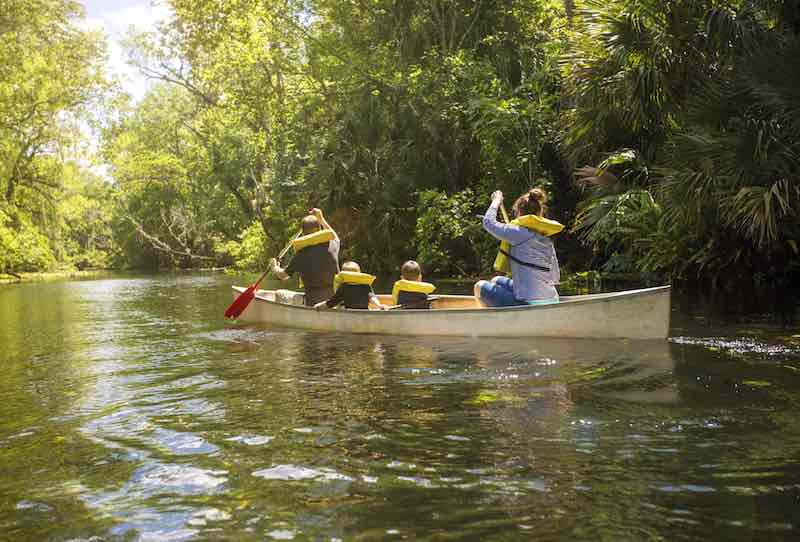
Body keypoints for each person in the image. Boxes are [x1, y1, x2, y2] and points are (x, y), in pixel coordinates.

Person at [474, 188, 563, 307]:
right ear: (539, 214)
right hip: (552, 298)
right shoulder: (545, 238)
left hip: (530, 303)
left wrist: (497, 200)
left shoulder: (518, 232)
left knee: (479, 286)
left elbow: (488, 222)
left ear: (519, 213)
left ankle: (490, 321)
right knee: (496, 280)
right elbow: (555, 276)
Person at [270, 208, 340, 306]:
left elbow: (283, 275)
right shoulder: (333, 245)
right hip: (334, 301)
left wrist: (274, 267)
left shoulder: (301, 254)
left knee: (279, 294)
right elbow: (335, 236)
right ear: (320, 230)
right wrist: (321, 218)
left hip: (312, 302)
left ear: (303, 234)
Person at [314, 261, 388, 310]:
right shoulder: (365, 285)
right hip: (364, 312)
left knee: (339, 307)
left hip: (350, 313)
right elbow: (372, 298)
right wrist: (379, 305)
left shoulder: (344, 287)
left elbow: (332, 302)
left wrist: (319, 306)